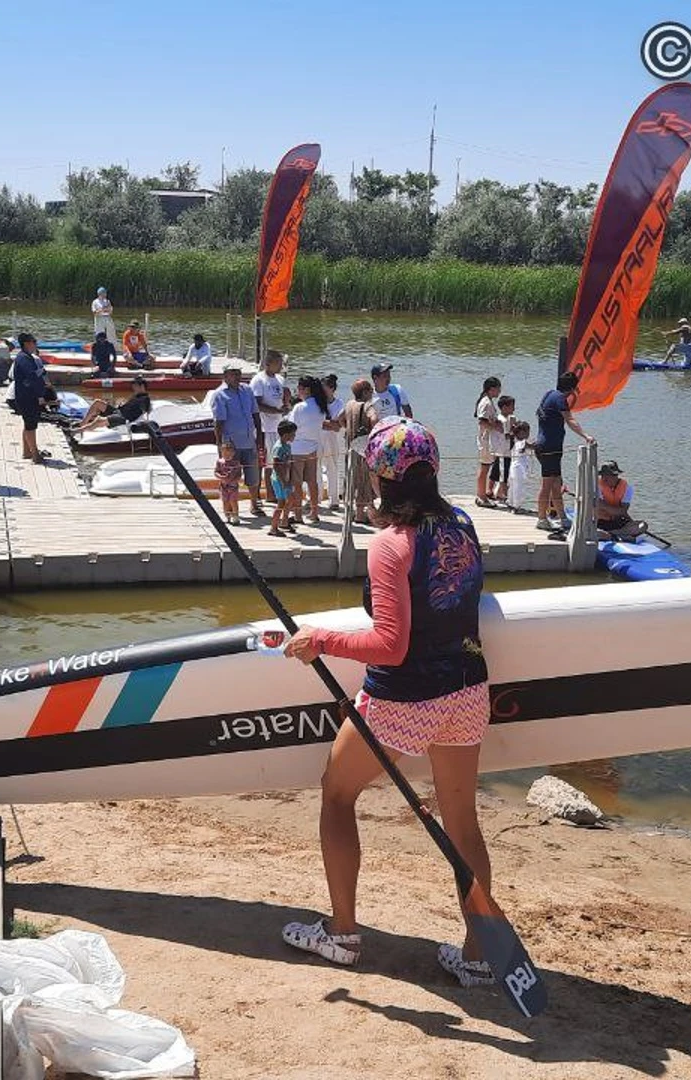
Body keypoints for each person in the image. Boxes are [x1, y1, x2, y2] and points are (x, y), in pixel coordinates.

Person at [278, 418, 498, 991]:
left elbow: (390, 646)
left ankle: (343, 933)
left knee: (337, 793)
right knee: (462, 822)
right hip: (468, 687)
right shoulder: (463, 524)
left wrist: (321, 640)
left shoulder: (390, 545)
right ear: (433, 470)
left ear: (381, 477)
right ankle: (477, 956)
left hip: (405, 699)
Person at [535, 371, 591, 533]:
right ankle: (541, 518)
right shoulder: (560, 399)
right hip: (549, 448)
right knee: (547, 485)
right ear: (572, 388)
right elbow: (570, 420)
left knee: (556, 483)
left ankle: (562, 517)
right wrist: (586, 436)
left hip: (547, 446)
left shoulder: (549, 394)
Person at [206, 365, 261, 520]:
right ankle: (230, 509)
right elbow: (219, 423)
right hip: (231, 445)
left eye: (239, 373)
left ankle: (254, 504)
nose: (237, 377)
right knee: (230, 477)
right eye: (233, 374)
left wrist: (260, 436)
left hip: (249, 440)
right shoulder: (219, 395)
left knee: (253, 474)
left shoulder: (247, 390)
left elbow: (255, 413)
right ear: (225, 376)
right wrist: (219, 446)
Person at [287, 375, 330, 524]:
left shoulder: (299, 407)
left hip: (297, 448)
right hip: (313, 447)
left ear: (306, 389)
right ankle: (314, 512)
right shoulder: (321, 406)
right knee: (312, 481)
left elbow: (291, 426)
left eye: (299, 388)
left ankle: (298, 515)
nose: (298, 391)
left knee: (297, 483)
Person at [250, 352, 289, 513]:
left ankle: (271, 493)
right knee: (261, 461)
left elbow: (283, 400)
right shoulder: (258, 380)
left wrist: (287, 404)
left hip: (278, 427)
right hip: (264, 427)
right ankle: (257, 494)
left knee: (274, 461)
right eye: (278, 364)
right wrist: (275, 410)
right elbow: (256, 404)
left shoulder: (280, 379)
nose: (281, 367)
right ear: (268, 364)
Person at [7, 333, 56, 463]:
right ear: (27, 343)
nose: (36, 344)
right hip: (26, 397)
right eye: (34, 342)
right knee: (31, 425)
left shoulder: (26, 357)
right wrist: (42, 371)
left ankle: (26, 451)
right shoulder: (24, 358)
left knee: (28, 424)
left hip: (27, 396)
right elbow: (31, 376)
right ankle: (35, 455)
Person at [343, 379, 379, 526]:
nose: (372, 392)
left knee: (353, 479)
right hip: (364, 448)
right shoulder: (367, 406)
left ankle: (358, 513)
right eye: (370, 389)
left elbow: (340, 419)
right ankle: (367, 514)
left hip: (350, 447)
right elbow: (374, 419)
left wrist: (350, 429)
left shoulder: (349, 404)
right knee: (366, 480)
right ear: (364, 392)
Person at [75, 375, 152, 429]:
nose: (133, 388)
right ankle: (83, 423)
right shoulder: (136, 396)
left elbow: (143, 412)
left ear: (142, 386)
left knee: (99, 420)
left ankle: (80, 430)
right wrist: (122, 404)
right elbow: (127, 407)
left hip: (122, 417)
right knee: (97, 403)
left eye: (135, 386)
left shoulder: (145, 399)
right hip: (118, 411)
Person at [593, 460, 644, 540]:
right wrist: (615, 510)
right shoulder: (596, 486)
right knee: (595, 530)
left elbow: (623, 511)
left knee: (642, 525)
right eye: (602, 475)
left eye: (607, 475)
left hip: (617, 521)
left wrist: (607, 507)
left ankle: (614, 534)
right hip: (599, 521)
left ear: (615, 476)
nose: (604, 478)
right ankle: (614, 535)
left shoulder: (627, 488)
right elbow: (599, 505)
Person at [472, 376, 503, 508]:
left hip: (487, 439)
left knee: (485, 467)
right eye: (498, 389)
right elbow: (482, 421)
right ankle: (481, 496)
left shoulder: (488, 401)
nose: (499, 391)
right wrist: (496, 427)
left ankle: (481, 494)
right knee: (484, 468)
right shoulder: (486, 402)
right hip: (485, 439)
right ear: (491, 389)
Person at [319, 373, 348, 512]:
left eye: (323, 387)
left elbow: (338, 426)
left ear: (331, 388)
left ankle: (334, 500)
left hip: (333, 439)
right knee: (316, 468)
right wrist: (327, 423)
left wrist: (325, 423)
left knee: (333, 468)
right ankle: (314, 498)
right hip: (318, 438)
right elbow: (317, 422)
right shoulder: (318, 403)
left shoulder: (339, 404)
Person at [269, 419, 300, 537]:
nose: (294, 436)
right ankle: (273, 527)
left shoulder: (287, 446)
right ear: (286, 434)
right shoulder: (279, 447)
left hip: (286, 479)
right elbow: (276, 465)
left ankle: (284, 522)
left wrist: (290, 478)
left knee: (290, 499)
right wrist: (283, 481)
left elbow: (290, 463)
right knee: (281, 503)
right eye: (293, 434)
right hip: (279, 480)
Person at [490, 395, 516, 507]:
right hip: (502, 451)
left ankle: (494, 491)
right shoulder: (501, 420)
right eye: (512, 406)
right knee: (503, 474)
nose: (514, 409)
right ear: (504, 407)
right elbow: (506, 435)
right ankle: (503, 494)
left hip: (506, 452)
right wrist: (513, 430)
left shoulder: (509, 418)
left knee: (498, 472)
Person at [507, 420, 535, 510]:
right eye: (527, 431)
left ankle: (511, 502)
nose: (528, 434)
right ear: (521, 432)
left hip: (514, 467)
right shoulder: (522, 442)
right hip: (519, 469)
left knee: (513, 486)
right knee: (519, 488)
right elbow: (531, 446)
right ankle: (516, 506)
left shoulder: (514, 442)